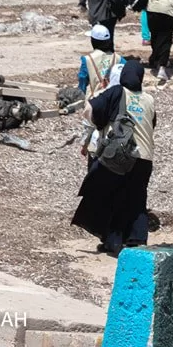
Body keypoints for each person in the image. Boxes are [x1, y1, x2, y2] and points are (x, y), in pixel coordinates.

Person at [71, 61, 156, 256]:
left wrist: (101, 124)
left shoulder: (117, 91)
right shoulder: (149, 99)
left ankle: (113, 242)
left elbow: (89, 110)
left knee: (110, 195)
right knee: (137, 198)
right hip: (145, 158)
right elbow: (151, 124)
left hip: (120, 154)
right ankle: (137, 240)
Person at [77, 24, 127, 99]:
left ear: (93, 41)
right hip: (114, 99)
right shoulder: (118, 58)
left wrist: (81, 96)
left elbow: (82, 80)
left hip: (95, 100)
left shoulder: (87, 59)